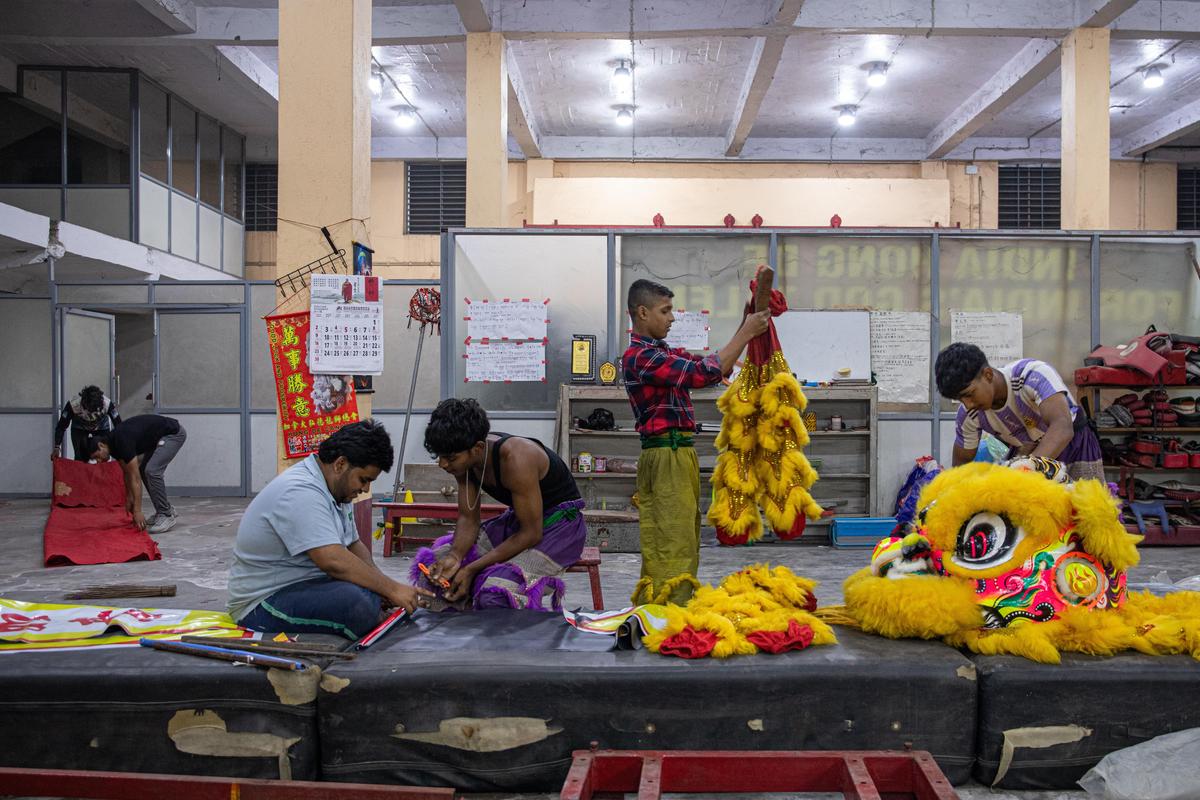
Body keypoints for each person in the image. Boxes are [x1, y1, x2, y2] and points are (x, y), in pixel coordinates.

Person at [622, 279, 770, 604]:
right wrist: (745, 332)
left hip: (679, 453)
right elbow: (702, 374)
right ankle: (665, 611)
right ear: (643, 312)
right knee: (670, 537)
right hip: (665, 455)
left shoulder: (663, 353)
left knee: (685, 537)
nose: (672, 318)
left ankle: (678, 602)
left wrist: (748, 330)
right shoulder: (639, 357)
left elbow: (714, 368)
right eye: (665, 311)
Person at [227, 420, 430, 638]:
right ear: (340, 464)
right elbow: (331, 560)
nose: (365, 489)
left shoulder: (336, 490)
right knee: (356, 605)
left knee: (369, 595)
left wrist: (384, 590)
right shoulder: (301, 490)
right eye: (363, 479)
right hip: (263, 603)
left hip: (306, 586)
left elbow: (353, 545)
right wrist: (390, 589)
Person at [418, 398, 587, 611]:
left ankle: (504, 639)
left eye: (450, 458)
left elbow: (531, 534)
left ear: (478, 448)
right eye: (440, 457)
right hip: (520, 521)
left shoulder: (517, 457)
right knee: (437, 572)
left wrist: (470, 569)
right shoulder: (465, 461)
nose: (443, 464)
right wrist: (455, 556)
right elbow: (468, 518)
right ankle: (464, 637)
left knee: (497, 591)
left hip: (560, 529)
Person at [935, 342, 1104, 482]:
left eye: (969, 394)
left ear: (987, 375)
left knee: (1086, 513)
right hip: (1026, 452)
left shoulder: (1031, 374)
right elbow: (962, 465)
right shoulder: (968, 415)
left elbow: (1062, 428)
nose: (968, 404)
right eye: (960, 399)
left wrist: (1024, 470)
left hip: (1073, 445)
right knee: (1028, 519)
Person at [84, 414, 187, 533]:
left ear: (101, 445)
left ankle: (166, 515)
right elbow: (127, 473)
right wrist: (129, 498)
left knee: (152, 471)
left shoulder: (121, 441)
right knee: (144, 470)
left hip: (173, 434)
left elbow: (135, 478)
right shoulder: (113, 446)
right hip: (158, 437)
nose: (98, 461)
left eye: (97, 456)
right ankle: (165, 510)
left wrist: (137, 511)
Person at [52, 385, 121, 462]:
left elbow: (119, 425)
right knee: (80, 457)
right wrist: (57, 446)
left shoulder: (107, 404)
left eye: (94, 411)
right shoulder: (73, 405)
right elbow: (61, 426)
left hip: (101, 427)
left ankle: (101, 473)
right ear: (83, 403)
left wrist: (121, 446)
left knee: (103, 456)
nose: (91, 416)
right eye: (89, 410)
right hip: (79, 427)